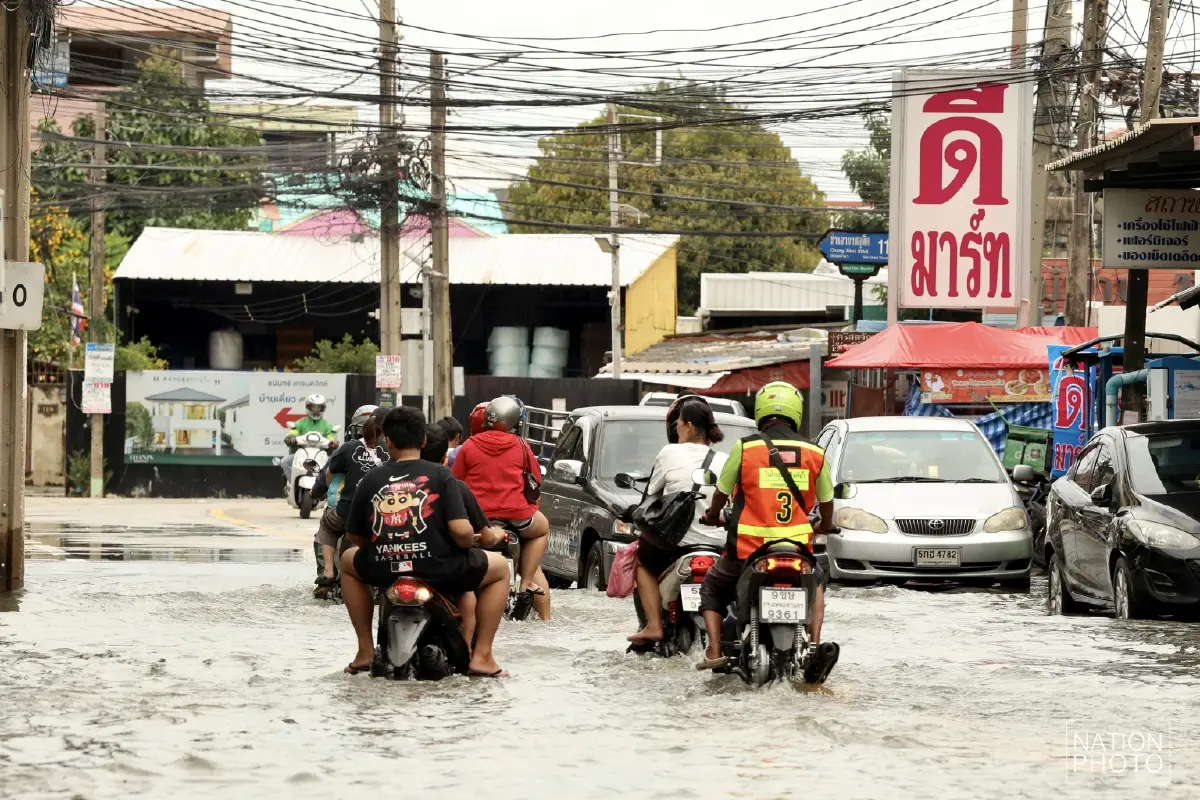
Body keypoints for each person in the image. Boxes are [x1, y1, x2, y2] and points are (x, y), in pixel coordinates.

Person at [340, 406, 510, 677]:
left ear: (388, 441)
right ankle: (483, 657)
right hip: (439, 567)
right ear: (423, 440)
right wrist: (470, 540)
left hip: (384, 568)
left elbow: (355, 536)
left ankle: (364, 651)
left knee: (347, 561)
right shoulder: (442, 476)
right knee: (501, 569)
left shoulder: (372, 478)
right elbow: (461, 531)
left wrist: (387, 549)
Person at [695, 381, 834, 670]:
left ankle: (715, 650)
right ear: (796, 412)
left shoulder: (746, 448)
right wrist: (826, 524)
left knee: (711, 588)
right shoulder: (815, 453)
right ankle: (815, 645)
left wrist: (713, 515)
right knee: (817, 583)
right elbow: (827, 501)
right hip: (797, 551)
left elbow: (721, 492)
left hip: (748, 551)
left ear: (760, 411)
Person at [629, 398, 728, 644]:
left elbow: (650, 495)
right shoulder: (724, 459)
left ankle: (653, 626)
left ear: (690, 426)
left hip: (676, 545)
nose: (677, 429)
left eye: (679, 424)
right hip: (718, 544)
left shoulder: (669, 452)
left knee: (642, 563)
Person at [452, 396, 552, 621]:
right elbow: (536, 479)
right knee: (542, 529)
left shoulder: (469, 446)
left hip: (478, 519)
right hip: (518, 517)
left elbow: (455, 482)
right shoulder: (521, 445)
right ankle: (527, 583)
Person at [421, 422, 505, 649]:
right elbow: (476, 536)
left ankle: (364, 651)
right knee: (473, 585)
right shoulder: (454, 486)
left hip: (395, 564)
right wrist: (496, 536)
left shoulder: (389, 481)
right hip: (444, 566)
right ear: (444, 459)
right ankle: (476, 652)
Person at [314, 406, 387, 590]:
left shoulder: (347, 449)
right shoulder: (394, 451)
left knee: (327, 526)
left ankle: (328, 573)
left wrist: (317, 492)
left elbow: (326, 475)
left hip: (347, 512)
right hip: (385, 514)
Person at [280, 393, 338, 485]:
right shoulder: (301, 423)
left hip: (321, 456)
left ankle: (326, 487)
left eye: (319, 407)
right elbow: (293, 432)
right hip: (301, 455)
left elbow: (332, 437)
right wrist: (291, 438)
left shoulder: (327, 425)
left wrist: (333, 442)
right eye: (314, 407)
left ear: (323, 408)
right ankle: (292, 484)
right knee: (285, 462)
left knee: (336, 466)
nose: (316, 410)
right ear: (308, 407)